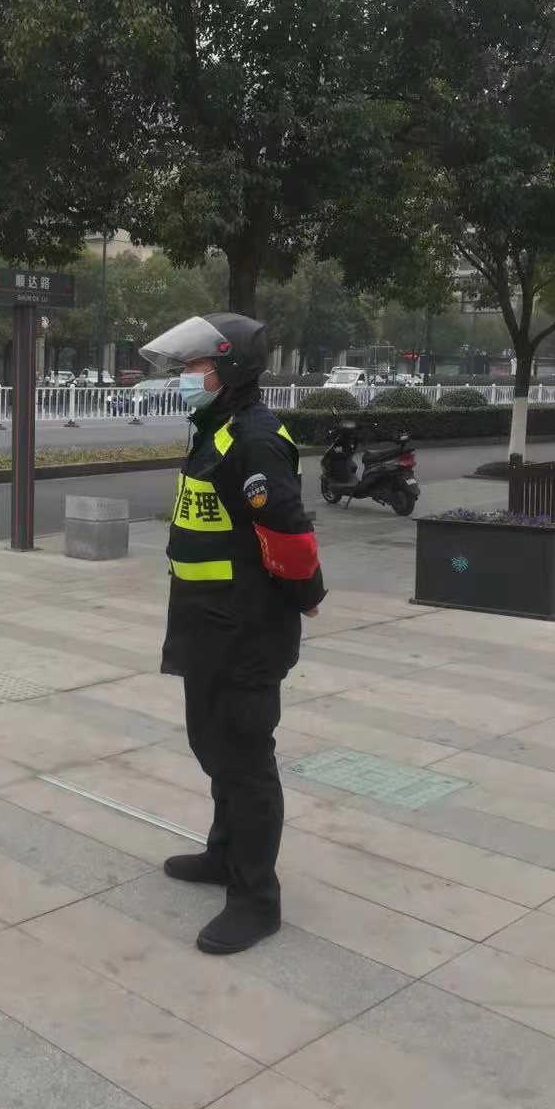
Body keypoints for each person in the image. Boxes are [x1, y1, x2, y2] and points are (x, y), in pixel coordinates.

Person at [139, 313, 326, 954]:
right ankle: (224, 854)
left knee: (245, 761)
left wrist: (306, 596)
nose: (185, 376)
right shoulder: (215, 430)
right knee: (211, 744)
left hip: (247, 629)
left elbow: (289, 534)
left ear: (231, 369)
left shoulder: (255, 439)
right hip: (204, 622)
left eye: (195, 366)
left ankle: (255, 899)